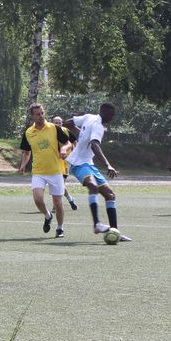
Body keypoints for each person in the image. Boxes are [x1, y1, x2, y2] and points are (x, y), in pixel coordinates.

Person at [63, 103, 132, 241]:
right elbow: (95, 145)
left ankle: (115, 231)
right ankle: (97, 224)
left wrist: (81, 135)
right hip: (78, 163)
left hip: (89, 164)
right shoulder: (98, 126)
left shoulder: (88, 117)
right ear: (104, 112)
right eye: (111, 114)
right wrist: (108, 165)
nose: (112, 117)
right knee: (93, 186)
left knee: (110, 195)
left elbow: (68, 123)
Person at [19, 104, 72, 238]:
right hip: (39, 172)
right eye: (38, 114)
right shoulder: (28, 133)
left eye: (42, 113)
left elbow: (68, 143)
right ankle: (48, 216)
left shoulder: (54, 128)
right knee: (37, 199)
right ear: (32, 116)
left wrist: (63, 149)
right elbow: (26, 152)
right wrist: (23, 164)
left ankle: (60, 228)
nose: (41, 116)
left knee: (58, 203)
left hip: (55, 171)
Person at [51, 116, 78, 211]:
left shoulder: (66, 131)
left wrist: (74, 153)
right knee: (57, 184)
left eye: (60, 122)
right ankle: (70, 199)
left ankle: (56, 205)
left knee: (60, 184)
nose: (58, 124)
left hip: (65, 162)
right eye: (56, 122)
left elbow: (74, 141)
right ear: (52, 123)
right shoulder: (49, 133)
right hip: (54, 161)